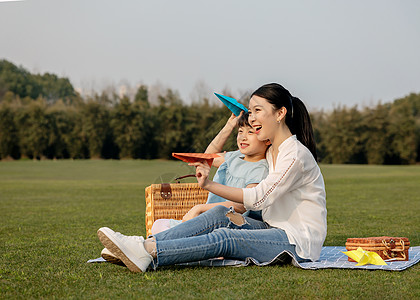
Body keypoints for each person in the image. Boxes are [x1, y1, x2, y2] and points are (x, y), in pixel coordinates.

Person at [97, 83, 327, 273]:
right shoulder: (271, 150)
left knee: (227, 238)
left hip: (298, 242)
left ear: (280, 113)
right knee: (219, 213)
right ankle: (142, 245)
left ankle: (147, 252)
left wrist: (209, 184)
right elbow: (213, 156)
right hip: (270, 227)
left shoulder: (294, 155)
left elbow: (258, 198)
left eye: (258, 110)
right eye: (250, 111)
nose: (251, 118)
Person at [150, 111, 270, 235]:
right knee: (159, 224)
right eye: (240, 131)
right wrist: (229, 126)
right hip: (208, 220)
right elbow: (207, 156)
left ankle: (176, 243)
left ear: (267, 139)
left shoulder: (260, 170)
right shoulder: (235, 156)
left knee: (168, 233)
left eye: (250, 132)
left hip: (230, 226)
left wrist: (200, 208)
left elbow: (240, 206)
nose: (243, 137)